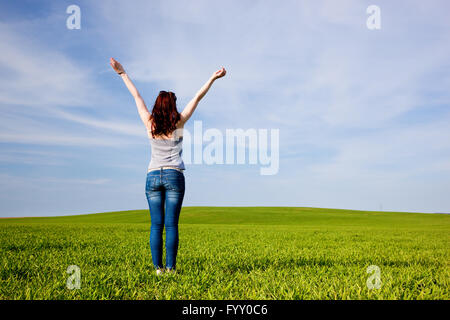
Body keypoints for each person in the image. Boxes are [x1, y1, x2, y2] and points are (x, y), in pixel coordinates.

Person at [109, 57, 226, 275]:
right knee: (171, 225)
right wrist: (213, 77)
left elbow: (136, 96)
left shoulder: (149, 122)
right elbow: (197, 98)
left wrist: (122, 73)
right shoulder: (179, 122)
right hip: (174, 175)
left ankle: (158, 270)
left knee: (156, 225)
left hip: (152, 176)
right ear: (172, 106)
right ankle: (171, 269)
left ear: (157, 105)